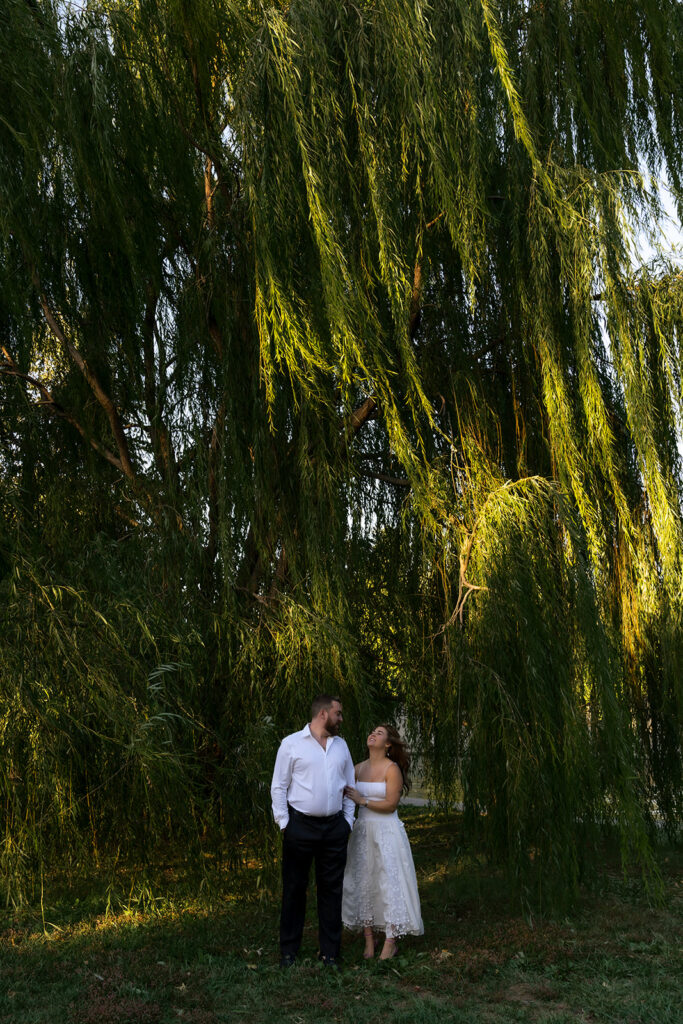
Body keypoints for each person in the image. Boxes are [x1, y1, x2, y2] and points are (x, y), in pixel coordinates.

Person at [271, 694, 355, 968]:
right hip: (300, 827)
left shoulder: (341, 746)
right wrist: (285, 824)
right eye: (338, 713)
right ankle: (288, 952)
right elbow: (278, 786)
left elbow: (350, 786)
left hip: (334, 829)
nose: (341, 719)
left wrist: (347, 822)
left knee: (332, 891)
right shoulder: (291, 744)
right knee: (294, 889)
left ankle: (329, 953)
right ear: (323, 714)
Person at [342, 724, 424, 959]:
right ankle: (369, 939)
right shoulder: (357, 768)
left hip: (387, 831)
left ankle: (390, 940)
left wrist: (363, 801)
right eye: (372, 731)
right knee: (364, 881)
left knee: (389, 883)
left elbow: (390, 805)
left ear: (388, 744)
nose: (373, 734)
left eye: (379, 733)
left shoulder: (392, 769)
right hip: (363, 831)